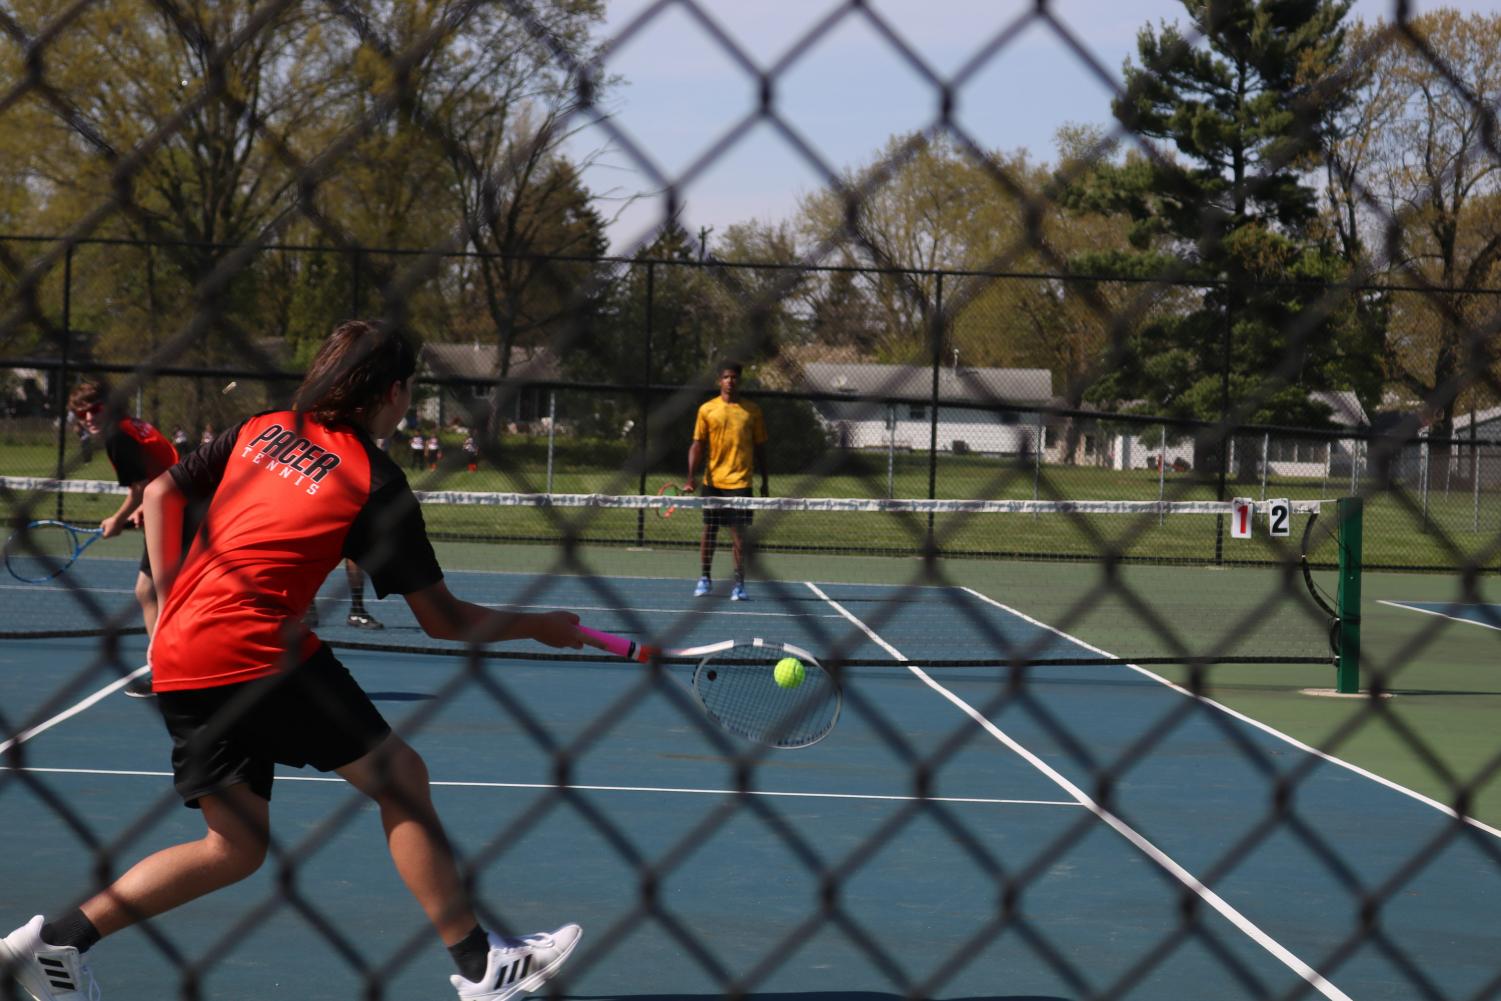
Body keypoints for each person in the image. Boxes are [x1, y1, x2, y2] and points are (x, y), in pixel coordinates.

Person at [2, 320, 583, 1001]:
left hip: (184, 651)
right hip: (255, 647)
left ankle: (55, 943)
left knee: (234, 845)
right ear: (393, 393)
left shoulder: (262, 426)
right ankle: (484, 966)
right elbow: (443, 619)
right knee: (400, 778)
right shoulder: (374, 478)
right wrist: (543, 625)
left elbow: (160, 494)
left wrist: (164, 602)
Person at [67, 380, 180, 699]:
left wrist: (116, 519)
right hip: (178, 500)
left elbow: (140, 487)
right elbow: (164, 466)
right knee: (159, 591)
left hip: (177, 508)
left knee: (151, 592)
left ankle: (168, 672)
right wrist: (147, 506)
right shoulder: (132, 425)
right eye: (81, 412)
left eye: (95, 409)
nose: (88, 417)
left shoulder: (118, 436)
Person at [684, 359, 768, 601]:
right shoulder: (707, 410)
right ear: (719, 380)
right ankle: (705, 578)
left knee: (739, 536)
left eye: (734, 377)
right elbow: (697, 445)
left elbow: (761, 448)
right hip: (713, 484)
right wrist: (691, 478)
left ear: (739, 380)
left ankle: (739, 584)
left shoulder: (752, 411)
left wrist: (764, 481)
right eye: (726, 377)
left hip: (741, 484)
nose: (730, 381)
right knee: (709, 531)